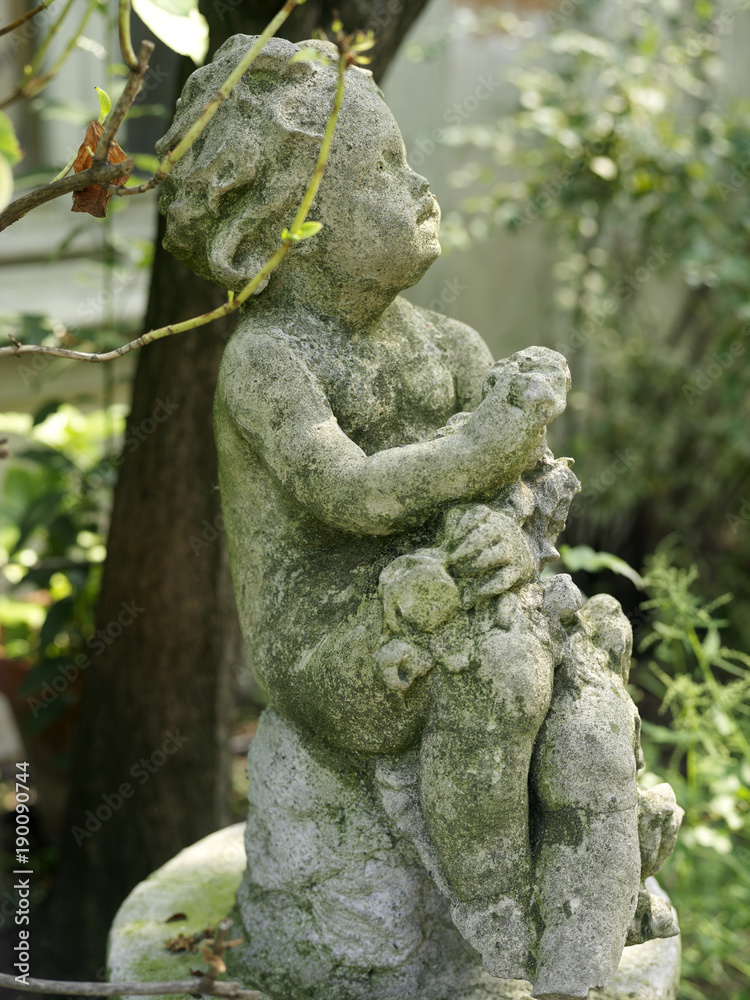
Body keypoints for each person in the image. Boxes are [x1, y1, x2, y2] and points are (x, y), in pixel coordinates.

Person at [156, 34, 680, 999]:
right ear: (292, 223)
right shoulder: (271, 361)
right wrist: (484, 449)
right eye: (387, 168)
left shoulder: (451, 344)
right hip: (332, 636)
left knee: (586, 700)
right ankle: (495, 932)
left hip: (462, 587)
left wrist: (508, 521)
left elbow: (535, 486)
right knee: (500, 670)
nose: (422, 185)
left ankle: (583, 940)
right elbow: (347, 490)